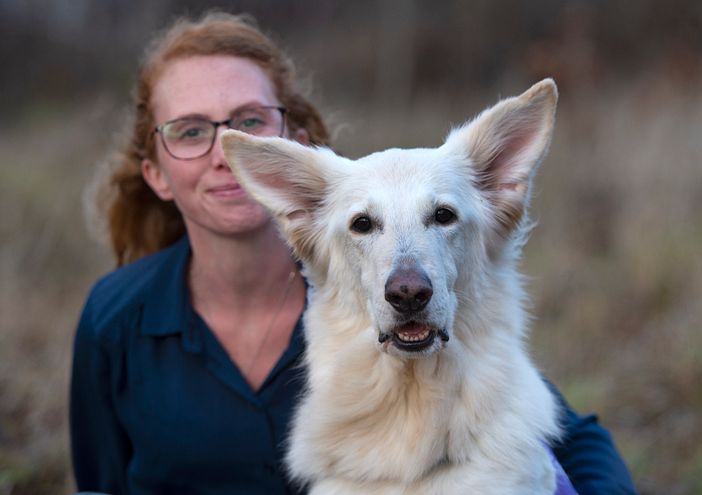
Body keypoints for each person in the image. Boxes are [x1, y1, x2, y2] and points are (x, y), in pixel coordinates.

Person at [69, 11, 637, 495]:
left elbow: (564, 431)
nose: (221, 150)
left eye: (247, 120)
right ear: (157, 173)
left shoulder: (364, 296)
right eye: (190, 131)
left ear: (293, 144)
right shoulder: (117, 319)